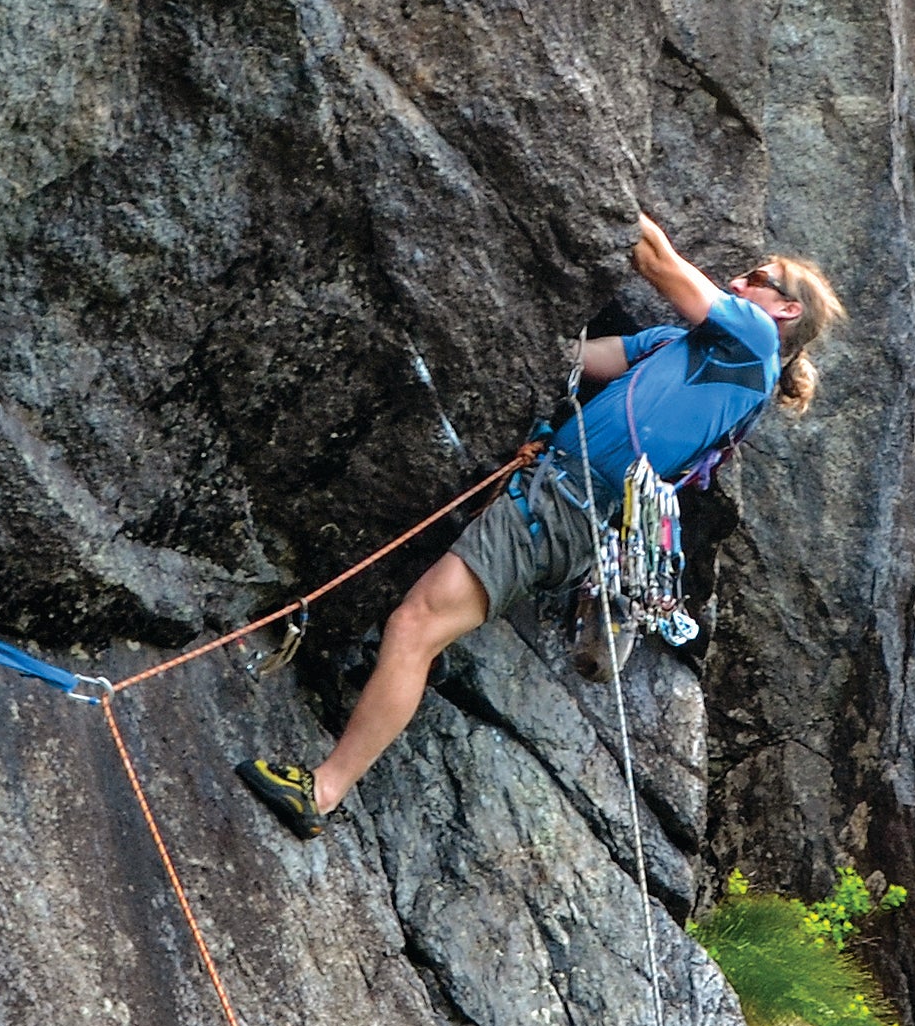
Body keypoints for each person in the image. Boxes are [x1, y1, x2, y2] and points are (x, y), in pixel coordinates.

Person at [239, 215, 845, 836]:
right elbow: (582, 359)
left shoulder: (755, 343)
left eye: (756, 278)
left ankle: (323, 790)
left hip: (564, 510)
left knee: (414, 625)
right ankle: (410, 675)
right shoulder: (675, 344)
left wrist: (612, 192)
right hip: (553, 495)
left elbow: (658, 262)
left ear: (785, 310)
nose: (739, 282)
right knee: (424, 626)